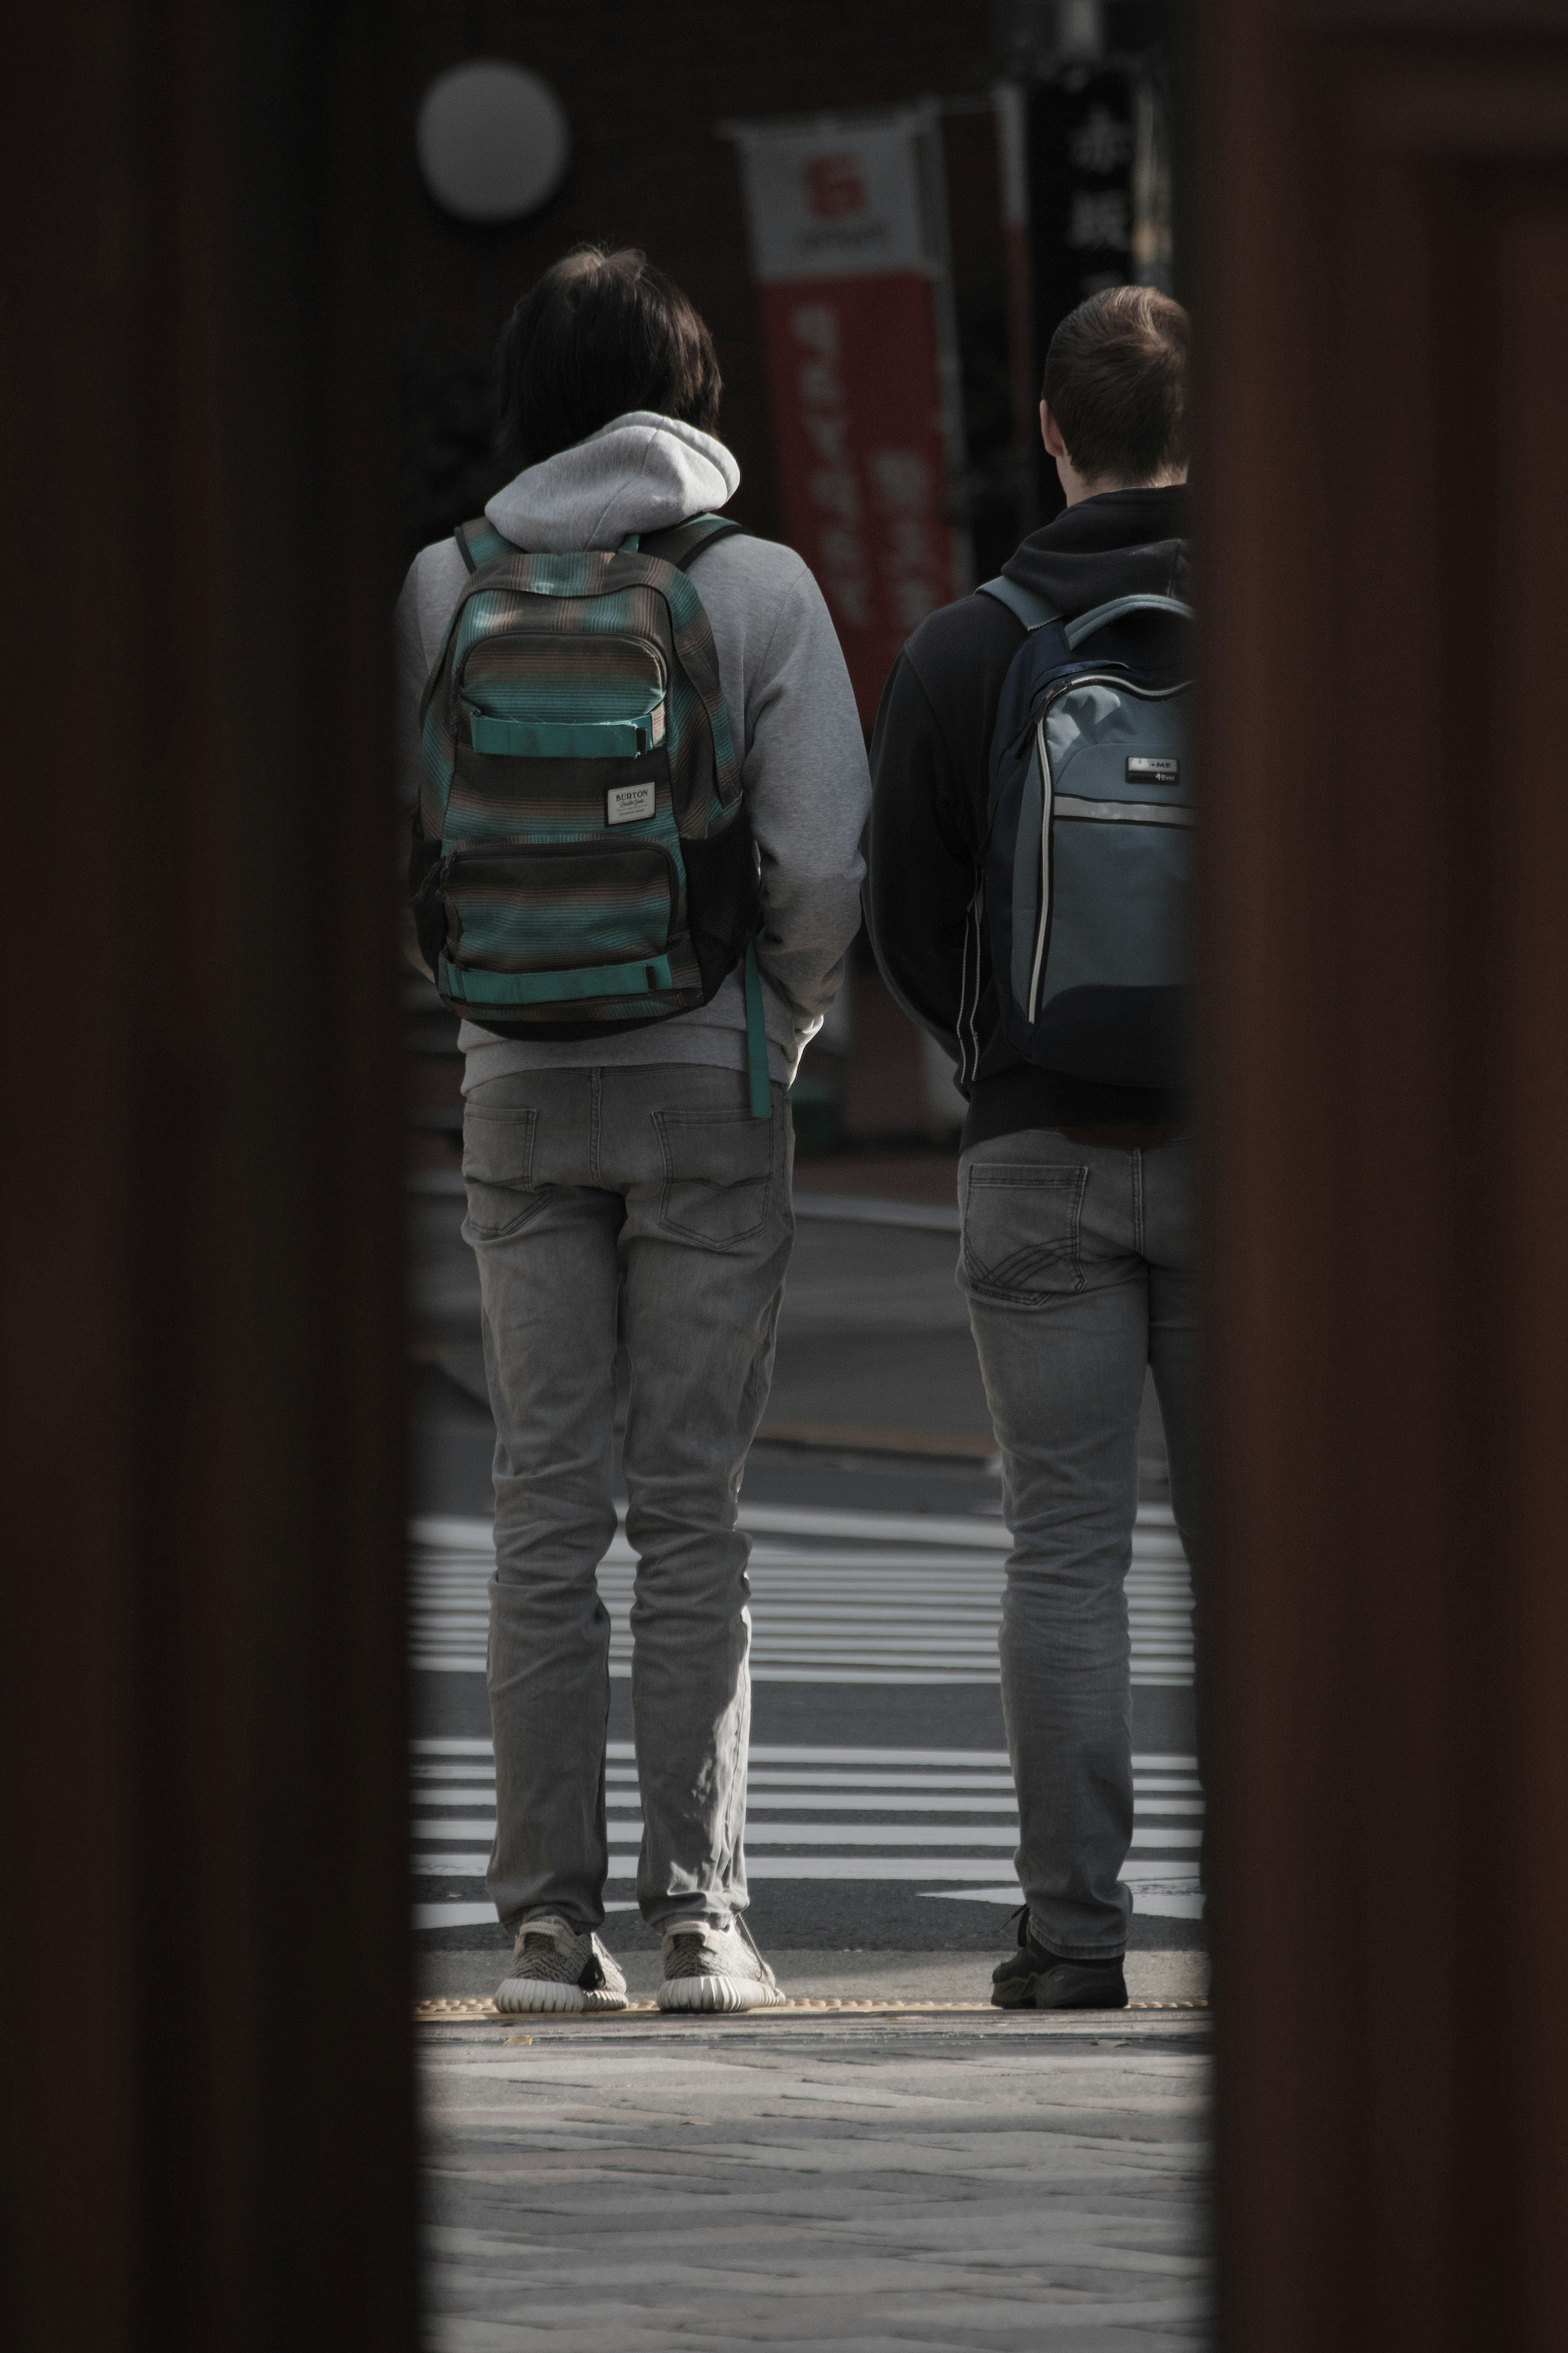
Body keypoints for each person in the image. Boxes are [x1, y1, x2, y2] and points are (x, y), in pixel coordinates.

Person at [394, 246, 869, 2014]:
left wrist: (472, 988)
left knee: (539, 1501)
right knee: (693, 1511)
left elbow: (394, 841)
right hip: (710, 1079)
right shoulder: (758, 588)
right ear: (691, 395)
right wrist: (783, 1016)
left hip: (512, 1079)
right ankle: (700, 1922)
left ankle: (537, 1926)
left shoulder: (442, 584)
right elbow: (822, 865)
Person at [866, 285, 1196, 2011]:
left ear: (1051, 433)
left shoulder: (965, 645)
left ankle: (1074, 1941)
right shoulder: (1304, 618)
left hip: (1037, 1143)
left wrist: (1001, 1047)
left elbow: (909, 920)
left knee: (1064, 1551)